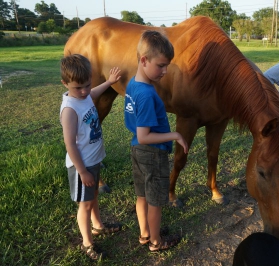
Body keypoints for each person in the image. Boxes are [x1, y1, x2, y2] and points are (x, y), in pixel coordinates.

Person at [124, 30, 188, 252]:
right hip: (152, 152)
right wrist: (176, 135)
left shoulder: (133, 84)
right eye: (161, 65)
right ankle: (156, 241)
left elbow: (138, 136)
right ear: (144, 60)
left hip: (137, 150)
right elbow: (145, 135)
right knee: (156, 202)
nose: (165, 71)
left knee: (142, 196)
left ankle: (145, 233)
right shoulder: (147, 95)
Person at [60, 54, 122, 261]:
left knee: (93, 196)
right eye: (78, 88)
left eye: (87, 85)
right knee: (84, 205)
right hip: (82, 167)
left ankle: (98, 227)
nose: (85, 91)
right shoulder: (69, 109)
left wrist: (110, 82)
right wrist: (82, 171)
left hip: (93, 161)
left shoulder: (84, 95)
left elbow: (93, 92)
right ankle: (87, 244)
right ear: (65, 84)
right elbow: (70, 144)